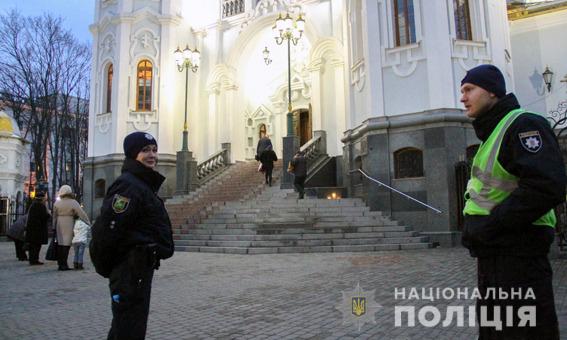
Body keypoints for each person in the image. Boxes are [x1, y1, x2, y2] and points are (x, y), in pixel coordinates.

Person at [460, 64, 565, 339]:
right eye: (462, 91)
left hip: (519, 259)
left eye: (469, 89)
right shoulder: (491, 134)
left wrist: (489, 226)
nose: (462, 97)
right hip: (495, 257)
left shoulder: (523, 124)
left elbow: (545, 186)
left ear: (492, 91)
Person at [90, 131, 174, 339]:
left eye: (154, 150)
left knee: (128, 327)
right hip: (129, 270)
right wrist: (115, 267)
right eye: (145, 150)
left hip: (138, 269)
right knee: (128, 329)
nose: (152, 155)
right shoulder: (129, 185)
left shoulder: (142, 183)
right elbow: (109, 229)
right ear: (132, 154)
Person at [53, 185, 90, 271]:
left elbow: (54, 216)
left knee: (60, 244)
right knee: (66, 244)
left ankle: (60, 263)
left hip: (59, 223)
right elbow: (82, 213)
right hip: (69, 222)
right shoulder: (73, 202)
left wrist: (54, 226)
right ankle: (64, 264)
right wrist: (87, 222)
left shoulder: (57, 203)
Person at [25, 192, 50, 265]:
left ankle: (32, 259)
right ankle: (34, 260)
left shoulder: (33, 205)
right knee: (36, 246)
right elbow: (43, 217)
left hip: (32, 229)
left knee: (33, 246)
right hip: (38, 230)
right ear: (42, 198)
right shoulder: (40, 206)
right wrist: (48, 215)